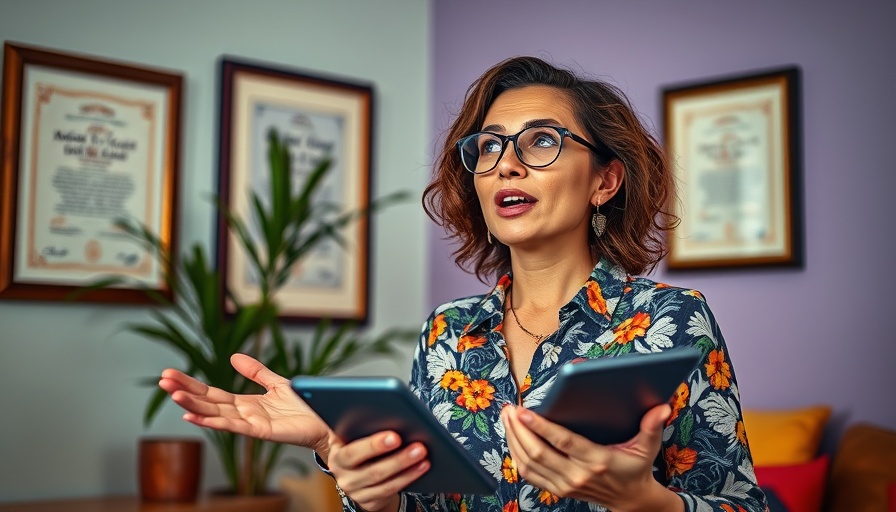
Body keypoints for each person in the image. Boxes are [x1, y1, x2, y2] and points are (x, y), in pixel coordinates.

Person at [160, 56, 768, 512]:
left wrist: (646, 502)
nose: (507, 162)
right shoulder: (448, 331)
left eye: (542, 142)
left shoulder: (675, 318)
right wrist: (355, 474)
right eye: (489, 147)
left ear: (604, 182)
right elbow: (424, 503)